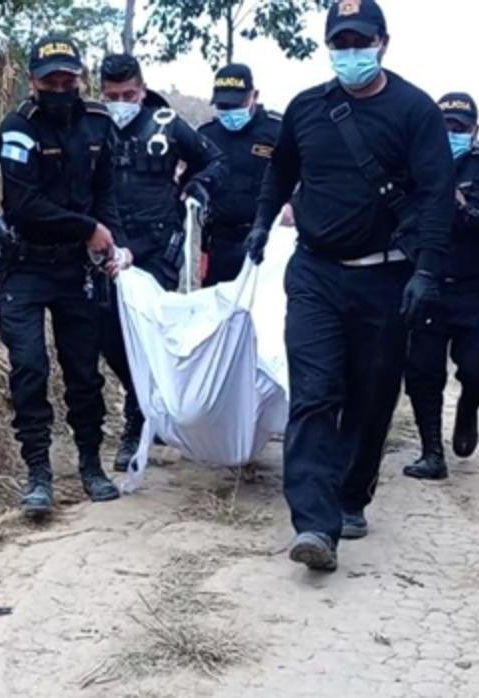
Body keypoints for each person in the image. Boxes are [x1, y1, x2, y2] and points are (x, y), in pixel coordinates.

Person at [244, 0, 453, 571]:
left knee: (372, 391)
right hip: (314, 273)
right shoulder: (309, 108)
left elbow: (437, 194)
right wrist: (263, 222)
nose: (350, 52)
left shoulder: (415, 111)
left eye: (361, 41)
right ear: (329, 46)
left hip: (385, 276)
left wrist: (428, 269)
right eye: (341, 42)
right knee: (314, 392)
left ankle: (352, 495)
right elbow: (280, 170)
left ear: (384, 42)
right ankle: (314, 523)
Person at [0, 36, 131, 517]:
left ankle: (91, 465)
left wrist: (112, 240)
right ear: (32, 82)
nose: (59, 88)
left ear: (80, 78)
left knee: (82, 372)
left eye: (67, 80)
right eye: (49, 81)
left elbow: (106, 190)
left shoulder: (97, 123)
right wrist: (88, 227)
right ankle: (38, 473)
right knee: (29, 368)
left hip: (77, 269)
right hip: (25, 268)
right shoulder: (18, 128)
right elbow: (23, 204)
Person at [97, 53, 226, 473]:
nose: (121, 102)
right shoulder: (93, 123)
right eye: (112, 95)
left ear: (142, 86)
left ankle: (137, 423)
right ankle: (145, 402)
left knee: (149, 334)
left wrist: (194, 188)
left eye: (128, 94)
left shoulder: (167, 122)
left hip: (156, 247)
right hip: (107, 247)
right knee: (109, 337)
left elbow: (214, 160)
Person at [401, 92, 479, 481]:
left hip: (477, 290)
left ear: (474, 131)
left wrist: (444, 192)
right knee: (422, 372)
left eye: (459, 128)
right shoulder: (412, 164)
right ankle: (431, 452)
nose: (451, 134)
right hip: (428, 286)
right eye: (444, 127)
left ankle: (468, 407)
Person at [197, 64, 281, 286]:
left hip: (264, 240)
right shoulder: (206, 135)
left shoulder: (277, 131)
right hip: (219, 242)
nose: (230, 111)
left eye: (237, 104)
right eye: (223, 106)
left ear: (254, 96)